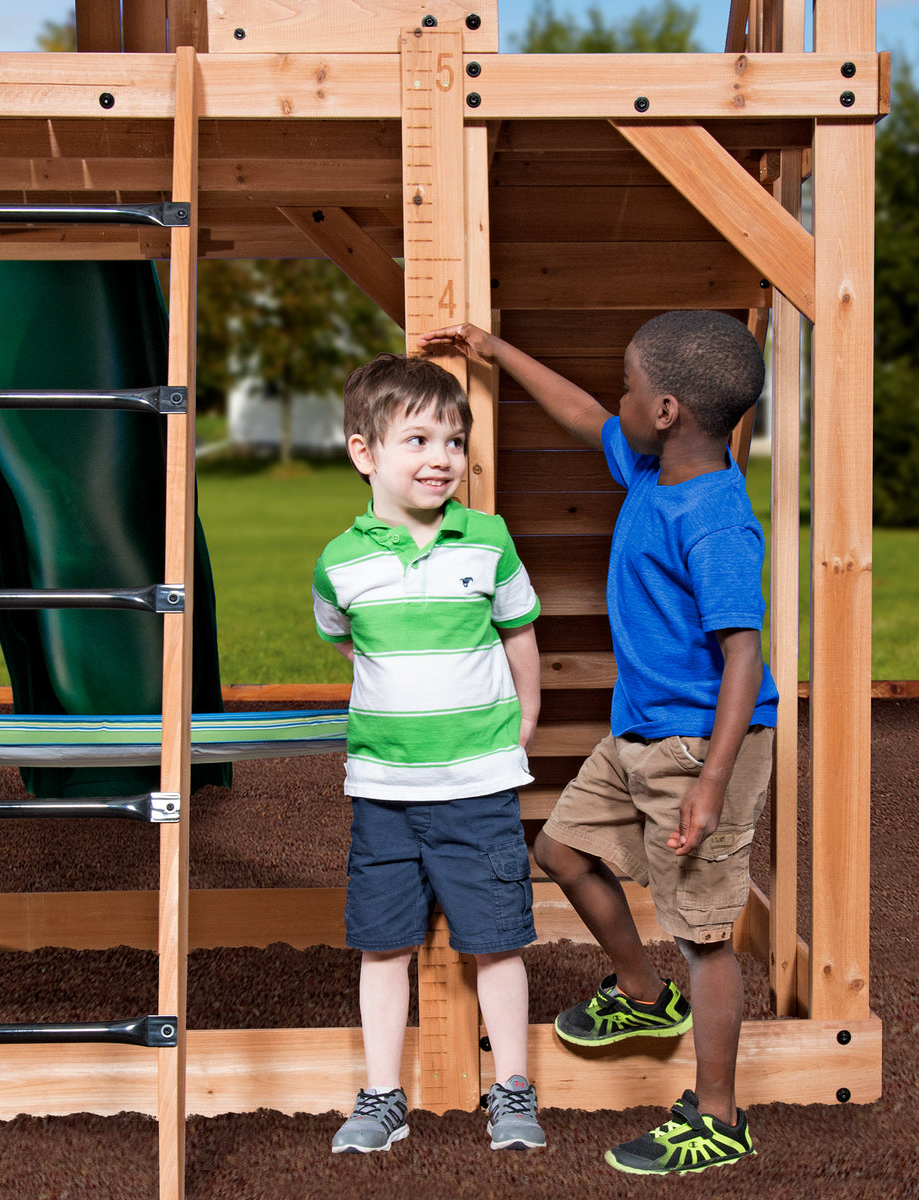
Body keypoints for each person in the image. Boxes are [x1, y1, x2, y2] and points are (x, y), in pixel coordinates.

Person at [420, 311, 777, 1176]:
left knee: (704, 935)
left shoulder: (716, 519)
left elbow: (743, 655)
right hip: (641, 732)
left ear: (665, 410)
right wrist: (496, 351)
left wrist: (712, 782)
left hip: (702, 748)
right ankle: (644, 995)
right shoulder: (654, 466)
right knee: (561, 849)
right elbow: (585, 414)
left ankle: (718, 1119)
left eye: (627, 385)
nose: (614, 399)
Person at [313, 352, 546, 1155]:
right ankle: (382, 1096)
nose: (441, 458)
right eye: (417, 440)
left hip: (478, 786)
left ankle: (512, 1089)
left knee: (497, 940)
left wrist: (527, 714)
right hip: (383, 791)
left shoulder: (488, 540)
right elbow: (347, 640)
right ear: (365, 452)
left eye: (453, 441)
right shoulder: (340, 563)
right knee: (383, 945)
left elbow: (519, 632)